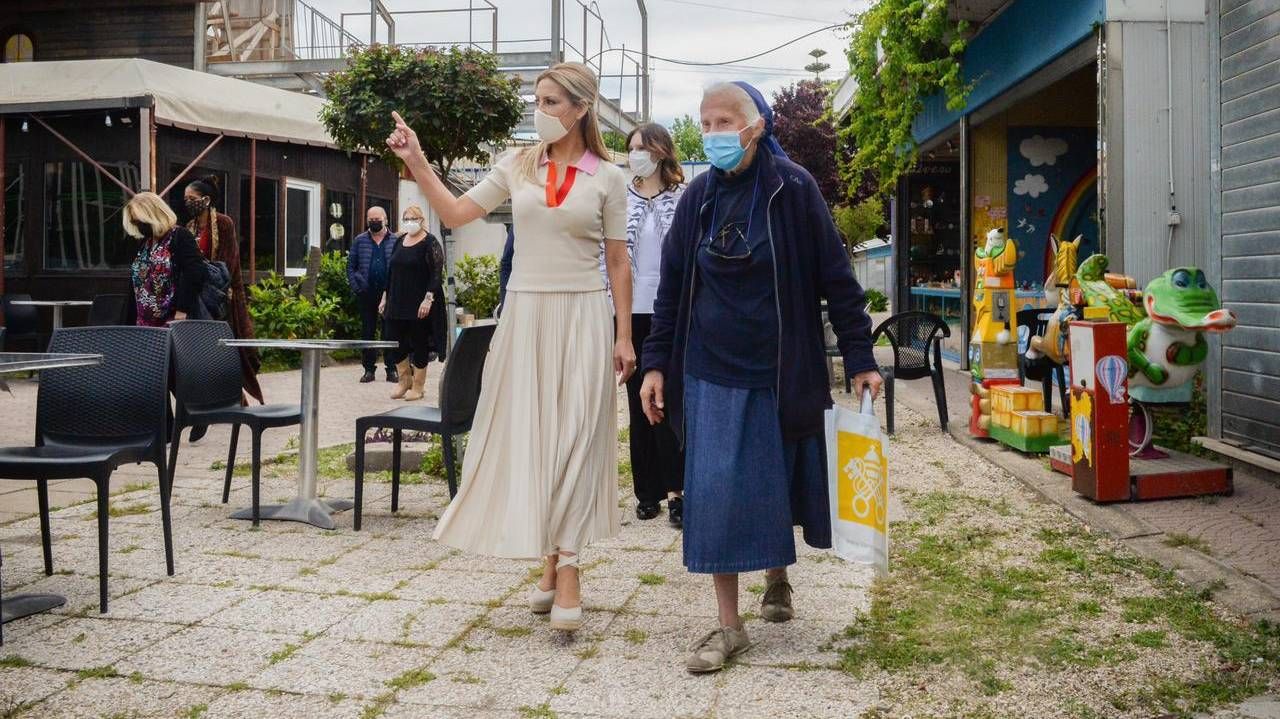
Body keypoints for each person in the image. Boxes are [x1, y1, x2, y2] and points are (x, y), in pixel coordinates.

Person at [639, 81, 883, 674]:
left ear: (758, 125)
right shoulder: (696, 197)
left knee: (780, 483)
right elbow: (670, 292)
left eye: (726, 120)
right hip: (710, 370)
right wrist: (654, 363)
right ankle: (729, 625)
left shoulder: (793, 188)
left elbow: (837, 280)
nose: (715, 132)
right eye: (706, 123)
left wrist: (861, 358)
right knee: (715, 495)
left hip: (782, 368)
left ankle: (777, 575)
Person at [385, 61, 634, 633]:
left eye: (550, 102)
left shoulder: (609, 177)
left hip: (583, 313)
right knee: (538, 438)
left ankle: (566, 566)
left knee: (576, 436)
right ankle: (551, 558)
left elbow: (619, 262)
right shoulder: (517, 164)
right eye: (538, 100)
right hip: (524, 313)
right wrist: (416, 159)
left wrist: (624, 334)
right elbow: (454, 212)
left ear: (579, 108)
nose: (540, 111)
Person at [623, 123, 686, 527]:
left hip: (673, 312)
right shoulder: (619, 197)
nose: (634, 156)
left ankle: (679, 490)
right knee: (636, 403)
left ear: (661, 151)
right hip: (629, 311)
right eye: (630, 149)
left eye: (641, 148)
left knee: (671, 401)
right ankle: (647, 492)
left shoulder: (683, 197)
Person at [183, 175, 265, 404]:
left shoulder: (223, 223)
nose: (188, 202)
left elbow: (229, 262)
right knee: (203, 353)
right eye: (185, 199)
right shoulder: (189, 228)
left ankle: (237, 400)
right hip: (198, 299)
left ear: (206, 200)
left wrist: (217, 286)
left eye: (192, 198)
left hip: (222, 297)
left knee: (224, 350)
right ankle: (221, 401)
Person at [379, 205, 447, 401]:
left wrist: (428, 299)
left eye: (413, 218)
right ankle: (404, 380)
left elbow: (436, 274)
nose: (410, 221)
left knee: (419, 343)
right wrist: (385, 296)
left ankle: (418, 385)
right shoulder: (399, 240)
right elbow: (391, 271)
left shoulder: (430, 242)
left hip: (419, 302)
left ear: (421, 219)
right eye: (406, 218)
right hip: (397, 300)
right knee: (394, 340)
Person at [125, 192, 205, 327]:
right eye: (134, 222)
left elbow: (194, 273)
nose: (138, 226)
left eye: (140, 221)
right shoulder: (145, 243)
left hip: (172, 319)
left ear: (153, 216)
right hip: (143, 321)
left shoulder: (180, 236)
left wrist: (182, 310)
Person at [346, 206, 399, 384]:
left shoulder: (395, 240)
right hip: (366, 292)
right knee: (367, 331)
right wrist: (357, 287)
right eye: (371, 220)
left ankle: (392, 369)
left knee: (390, 332)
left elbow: (399, 267)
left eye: (378, 219)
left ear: (386, 220)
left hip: (389, 293)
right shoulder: (359, 241)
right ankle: (369, 370)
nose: (374, 222)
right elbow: (350, 267)